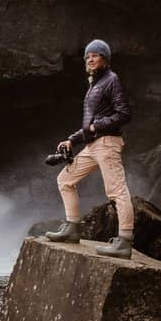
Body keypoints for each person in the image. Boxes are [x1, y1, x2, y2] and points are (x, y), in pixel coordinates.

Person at [45, 39, 136, 258]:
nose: (90, 59)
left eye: (95, 55)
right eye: (87, 56)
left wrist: (97, 126)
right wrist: (72, 140)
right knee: (65, 180)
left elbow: (124, 114)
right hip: (93, 145)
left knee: (117, 191)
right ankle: (72, 229)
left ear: (105, 58)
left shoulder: (111, 79)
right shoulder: (95, 84)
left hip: (107, 144)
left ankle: (124, 241)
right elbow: (90, 125)